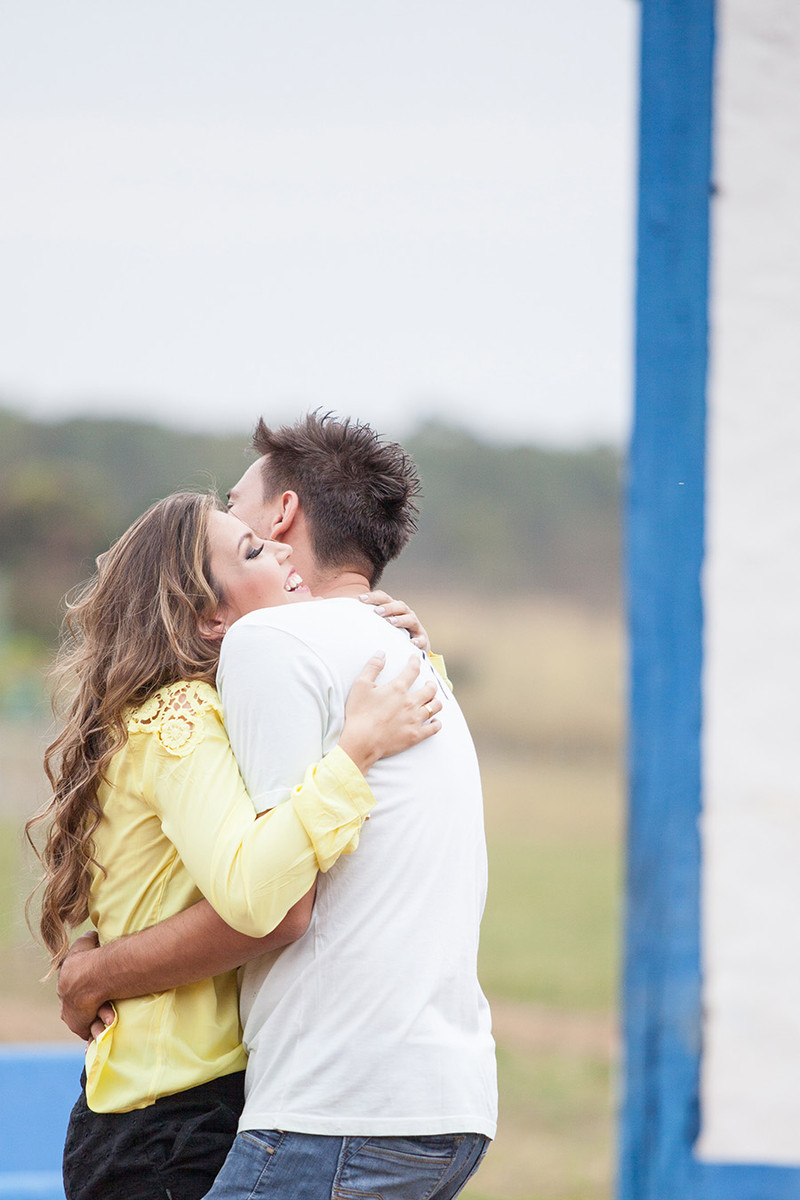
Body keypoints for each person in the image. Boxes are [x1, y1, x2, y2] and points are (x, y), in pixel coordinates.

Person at [60, 413, 498, 1200]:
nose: (267, 548)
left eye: (247, 518)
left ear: (286, 513)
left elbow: (274, 905)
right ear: (203, 612)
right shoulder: (213, 706)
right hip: (205, 1108)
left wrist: (96, 970)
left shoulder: (273, 653)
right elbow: (231, 878)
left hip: (293, 1106)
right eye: (249, 551)